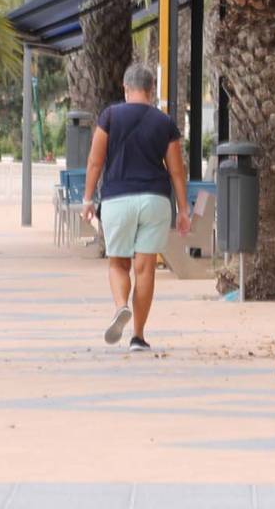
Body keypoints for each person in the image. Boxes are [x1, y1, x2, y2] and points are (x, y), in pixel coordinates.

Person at [81, 63, 190, 352]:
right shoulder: (164, 122)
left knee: (118, 263)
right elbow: (177, 170)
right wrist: (183, 209)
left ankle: (121, 306)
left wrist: (88, 199)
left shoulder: (110, 116)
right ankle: (138, 337)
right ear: (151, 89)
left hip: (118, 199)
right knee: (145, 269)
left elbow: (95, 161)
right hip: (155, 200)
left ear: (125, 88)